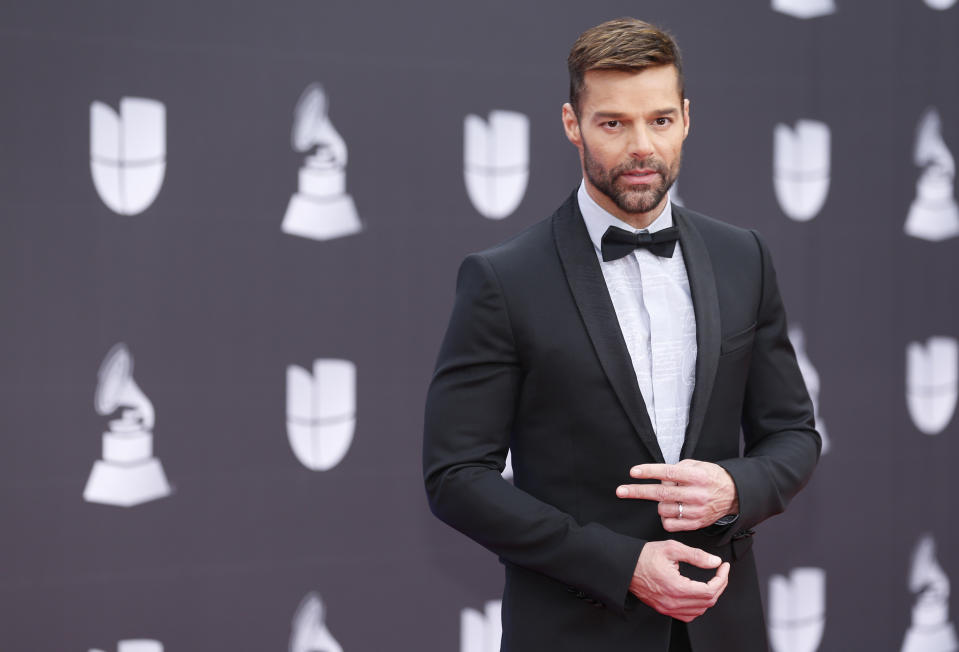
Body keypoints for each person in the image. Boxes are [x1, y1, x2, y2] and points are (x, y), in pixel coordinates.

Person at [423, 17, 820, 652]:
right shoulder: (504, 279)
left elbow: (793, 434)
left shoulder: (744, 256)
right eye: (614, 123)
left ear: (686, 118)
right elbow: (457, 477)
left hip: (724, 627)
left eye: (659, 120)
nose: (642, 146)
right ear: (571, 125)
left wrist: (736, 488)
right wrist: (621, 564)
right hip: (575, 629)